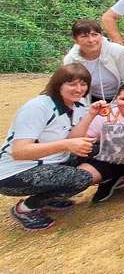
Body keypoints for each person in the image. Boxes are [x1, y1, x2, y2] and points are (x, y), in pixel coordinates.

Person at [0, 64, 95, 230]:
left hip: (49, 161)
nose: (79, 89)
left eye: (83, 84)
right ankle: (25, 209)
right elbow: (19, 152)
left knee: (95, 152)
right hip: (14, 172)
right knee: (81, 178)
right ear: (58, 84)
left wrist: (91, 114)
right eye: (72, 84)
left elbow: (73, 139)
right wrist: (66, 144)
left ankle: (50, 197)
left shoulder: (77, 106)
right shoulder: (38, 106)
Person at [78, 80, 124, 203]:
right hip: (109, 160)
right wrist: (90, 115)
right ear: (116, 98)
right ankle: (112, 177)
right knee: (80, 178)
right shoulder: (105, 114)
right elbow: (83, 138)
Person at [63, 19, 124, 103]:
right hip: (90, 99)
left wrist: (115, 106)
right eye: (84, 36)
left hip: (122, 99)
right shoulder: (71, 60)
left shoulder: (119, 52)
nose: (91, 40)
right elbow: (75, 89)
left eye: (94, 35)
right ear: (75, 40)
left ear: (101, 35)